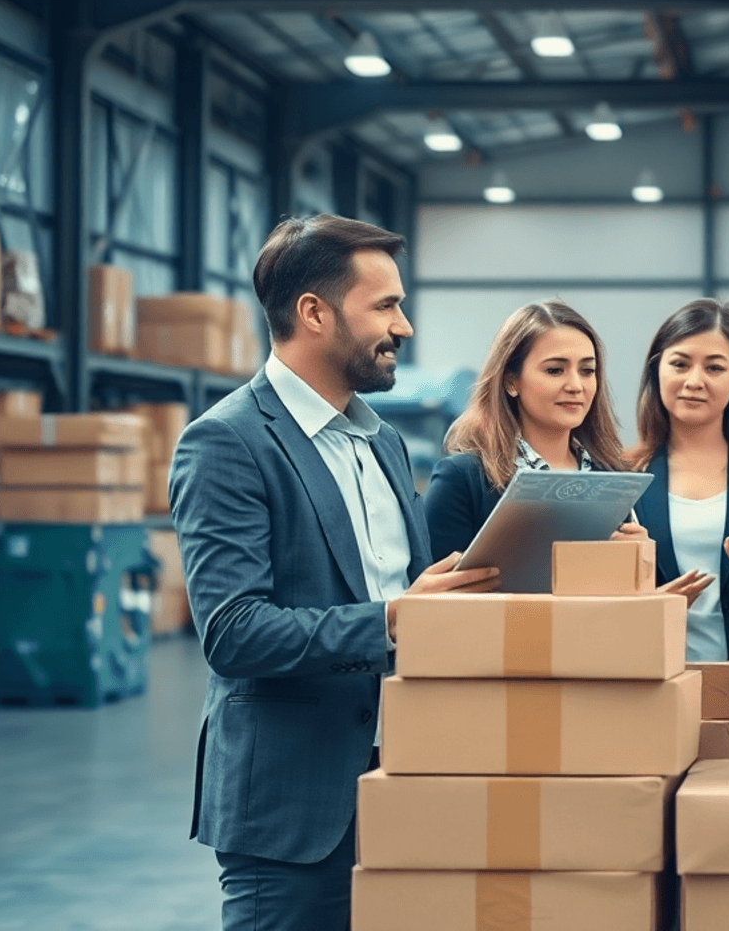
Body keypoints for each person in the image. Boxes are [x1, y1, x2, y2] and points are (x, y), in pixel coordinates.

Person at [170, 214, 500, 931]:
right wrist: (393, 618)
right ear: (314, 313)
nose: (404, 326)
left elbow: (409, 592)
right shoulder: (226, 443)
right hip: (295, 809)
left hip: (402, 785)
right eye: (385, 305)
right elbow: (233, 633)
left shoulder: (380, 443)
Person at [623, 299, 729, 691]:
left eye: (715, 367)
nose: (694, 380)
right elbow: (596, 603)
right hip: (652, 684)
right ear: (657, 370)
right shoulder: (620, 475)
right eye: (680, 364)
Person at [425, 300, 633, 561]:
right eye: (555, 370)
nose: (576, 385)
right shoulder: (462, 480)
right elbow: (431, 594)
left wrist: (641, 557)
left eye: (587, 370)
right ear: (511, 381)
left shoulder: (614, 479)